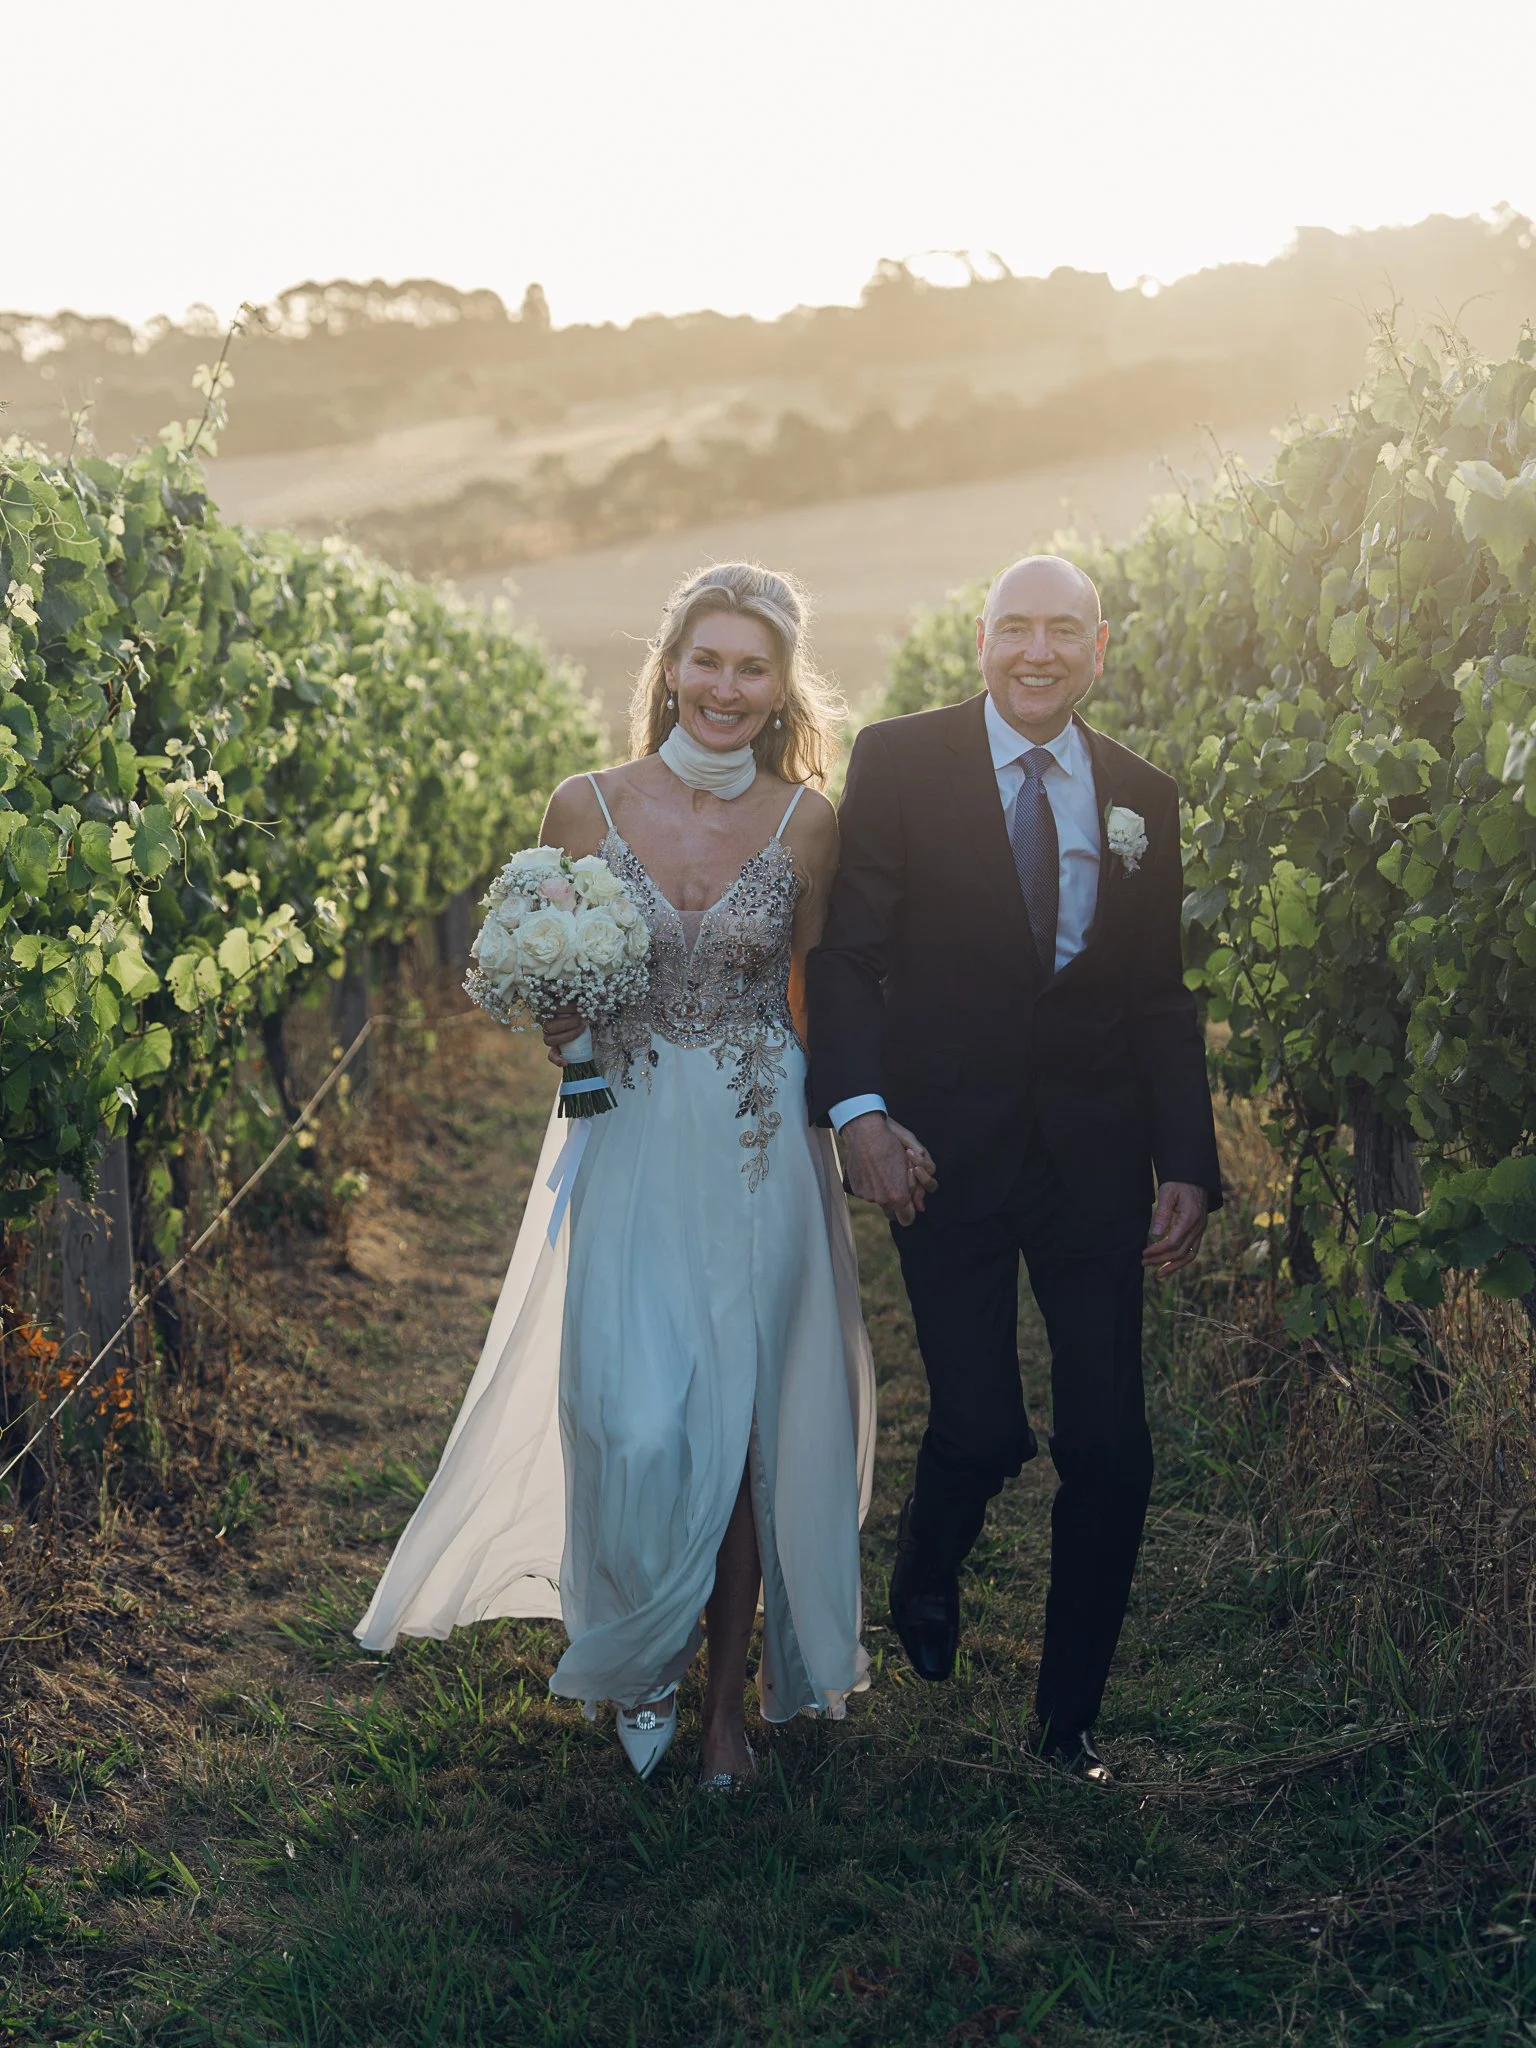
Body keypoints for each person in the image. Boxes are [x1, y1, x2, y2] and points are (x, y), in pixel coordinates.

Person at [356, 562, 932, 1789]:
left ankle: (723, 1705)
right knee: (628, 1413)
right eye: (707, 659)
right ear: (670, 665)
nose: (727, 687)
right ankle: (645, 1644)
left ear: (783, 687)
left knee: (737, 1434)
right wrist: (554, 1014)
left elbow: (821, 994)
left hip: (754, 1136)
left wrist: (866, 1121)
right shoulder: (586, 804)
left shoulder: (806, 822)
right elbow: (552, 991)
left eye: (754, 666)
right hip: (621, 1130)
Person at [805, 554, 1222, 1784]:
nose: (1037, 653)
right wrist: (862, 1112)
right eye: (1015, 629)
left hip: (1095, 1159)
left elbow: (1156, 998)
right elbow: (847, 956)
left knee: (1110, 1444)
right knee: (983, 1426)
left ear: (1100, 646)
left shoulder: (1144, 791)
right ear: (981, 643)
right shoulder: (901, 758)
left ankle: (1067, 1723)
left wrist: (1187, 1158)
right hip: (941, 1149)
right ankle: (928, 1561)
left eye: (1063, 632)